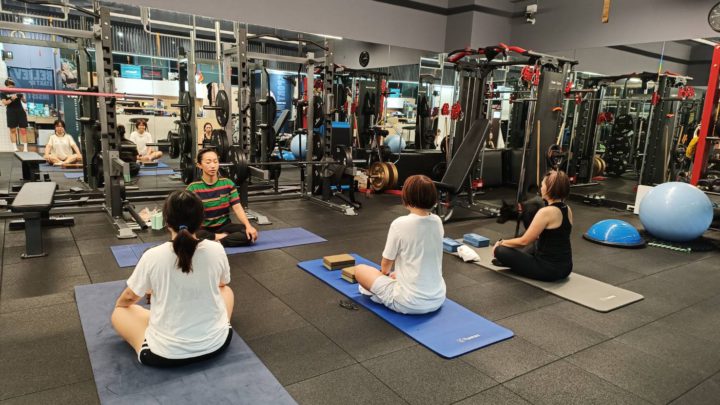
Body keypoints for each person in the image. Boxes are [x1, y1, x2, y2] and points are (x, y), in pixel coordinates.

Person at [111, 190, 234, 367]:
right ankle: (210, 326)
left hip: (165, 354)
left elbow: (130, 297)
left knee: (120, 312)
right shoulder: (217, 249)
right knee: (226, 290)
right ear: (201, 221)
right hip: (217, 344)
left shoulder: (152, 256)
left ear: (167, 222)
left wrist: (121, 305)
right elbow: (222, 283)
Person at [354, 174, 446, 314]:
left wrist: (383, 276)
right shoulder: (437, 221)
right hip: (438, 298)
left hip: (408, 303)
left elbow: (386, 264)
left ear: (406, 196)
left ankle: (382, 294)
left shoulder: (399, 224)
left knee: (360, 270)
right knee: (396, 274)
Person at [493, 170, 573, 282]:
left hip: (549, 270)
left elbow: (524, 241)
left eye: (543, 185)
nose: (541, 188)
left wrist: (501, 242)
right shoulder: (567, 209)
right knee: (535, 244)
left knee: (500, 251)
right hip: (566, 267)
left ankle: (512, 261)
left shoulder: (546, 212)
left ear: (550, 189)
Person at [186, 147, 258, 247]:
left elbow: (237, 207)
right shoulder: (193, 188)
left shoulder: (228, 184)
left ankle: (216, 242)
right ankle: (223, 238)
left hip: (224, 226)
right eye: (208, 162)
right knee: (194, 235)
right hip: (203, 228)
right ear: (199, 165)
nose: (213, 166)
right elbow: (187, 215)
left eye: (215, 162)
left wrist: (248, 226)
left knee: (249, 233)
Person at [1, 78, 29, 152]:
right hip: (11, 112)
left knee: (23, 130)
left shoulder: (17, 91)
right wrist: (12, 98)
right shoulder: (3, 92)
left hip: (20, 111)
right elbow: (4, 103)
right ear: (7, 85)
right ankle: (15, 148)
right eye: (10, 85)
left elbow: (25, 101)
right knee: (12, 130)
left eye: (13, 85)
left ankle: (25, 148)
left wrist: (22, 97)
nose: (12, 87)